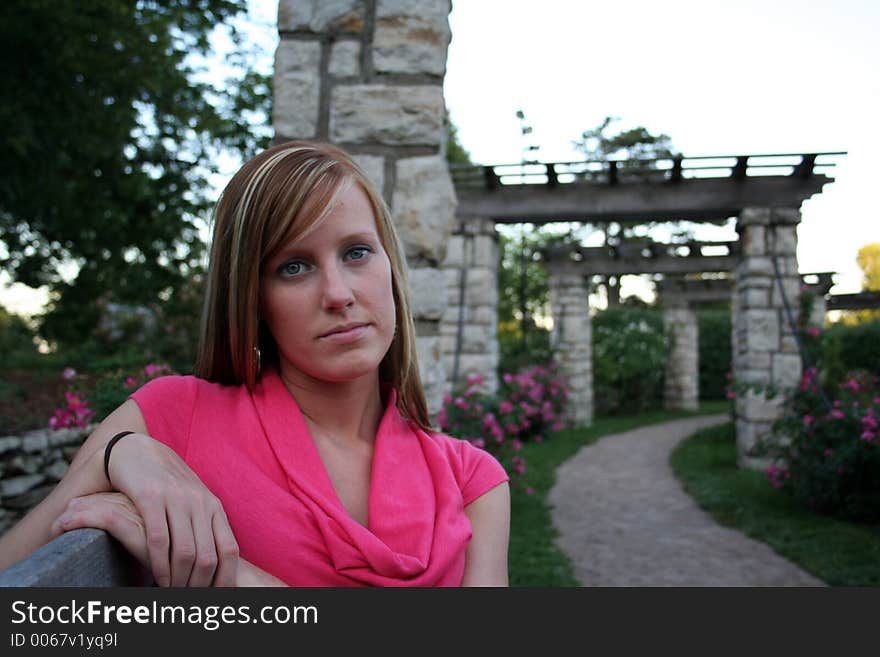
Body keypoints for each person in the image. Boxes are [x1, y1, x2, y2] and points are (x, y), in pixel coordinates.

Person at [0, 141, 510, 586]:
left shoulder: (473, 482)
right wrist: (119, 451)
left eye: (356, 253)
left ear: (390, 268)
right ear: (253, 298)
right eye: (294, 267)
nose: (338, 294)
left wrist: (245, 584)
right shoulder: (174, 417)